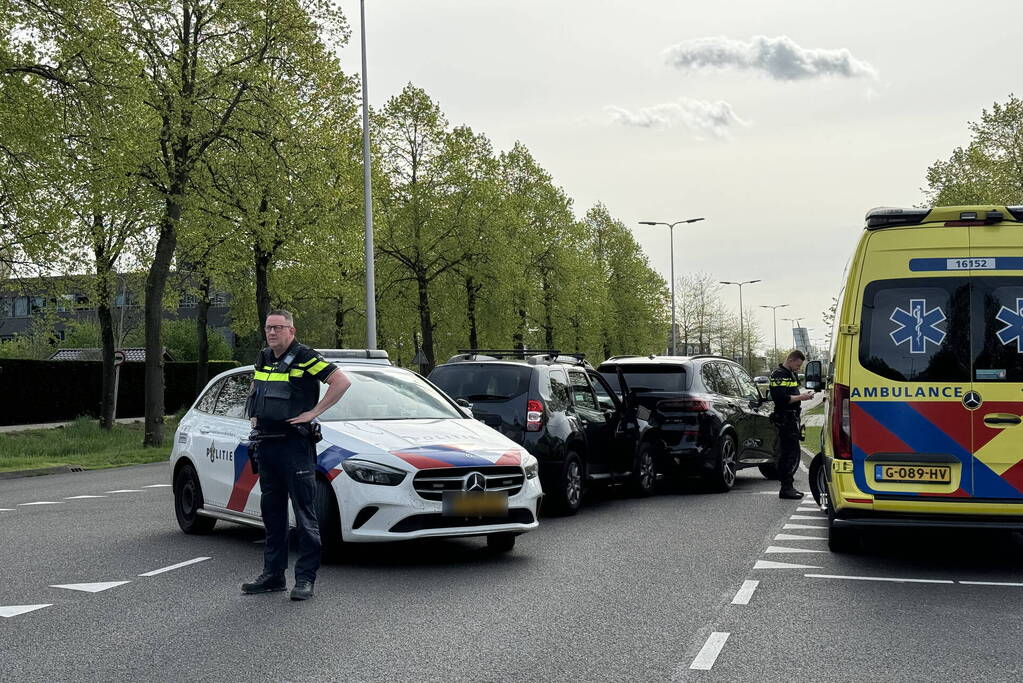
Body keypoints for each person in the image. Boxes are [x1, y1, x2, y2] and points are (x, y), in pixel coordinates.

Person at [242, 309, 351, 601]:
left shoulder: (305, 356)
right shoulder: (264, 356)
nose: (272, 332)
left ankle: (305, 579)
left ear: (292, 330)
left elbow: (341, 381)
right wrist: (254, 414)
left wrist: (314, 413)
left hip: (294, 446)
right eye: (269, 327)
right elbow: (257, 386)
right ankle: (273, 575)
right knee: (272, 515)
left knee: (305, 515)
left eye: (278, 327)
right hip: (266, 444)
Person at [770, 349, 815, 500]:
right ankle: (786, 488)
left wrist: (802, 396)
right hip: (785, 418)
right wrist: (802, 397)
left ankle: (789, 486)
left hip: (792, 418)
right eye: (798, 365)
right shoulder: (778, 375)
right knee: (787, 454)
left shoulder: (790, 374)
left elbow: (791, 393)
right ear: (791, 360)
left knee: (793, 453)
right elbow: (781, 399)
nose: (799, 368)